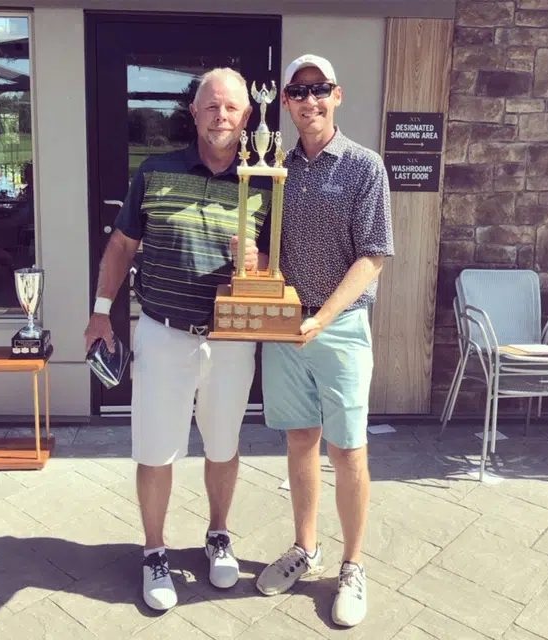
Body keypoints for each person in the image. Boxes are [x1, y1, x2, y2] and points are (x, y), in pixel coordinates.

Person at [83, 67, 271, 612]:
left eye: (232, 108)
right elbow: (120, 247)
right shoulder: (156, 172)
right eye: (211, 106)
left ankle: (217, 534)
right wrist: (101, 316)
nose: (221, 116)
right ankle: (155, 550)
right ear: (193, 112)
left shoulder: (262, 180)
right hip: (163, 334)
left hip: (232, 341)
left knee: (223, 446)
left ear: (248, 116)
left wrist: (257, 267)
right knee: (156, 449)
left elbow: (277, 267)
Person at [254, 54, 394, 627]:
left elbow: (374, 255)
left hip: (338, 329)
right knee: (300, 442)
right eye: (298, 91)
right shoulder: (276, 164)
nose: (309, 100)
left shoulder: (364, 166)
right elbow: (265, 247)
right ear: (285, 102)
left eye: (320, 90)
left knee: (348, 450)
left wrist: (324, 317)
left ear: (337, 96)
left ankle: (352, 564)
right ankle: (305, 547)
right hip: (285, 327)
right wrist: (252, 265)